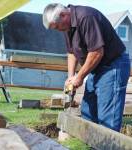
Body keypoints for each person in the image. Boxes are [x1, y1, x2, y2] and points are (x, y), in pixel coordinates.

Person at [42, 3, 130, 132]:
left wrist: (80, 76)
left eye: (57, 27)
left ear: (63, 15)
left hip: (112, 66)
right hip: (97, 68)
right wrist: (71, 76)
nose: (58, 30)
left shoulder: (86, 18)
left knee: (107, 119)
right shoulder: (67, 26)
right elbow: (71, 52)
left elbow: (96, 52)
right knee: (88, 113)